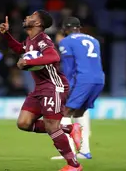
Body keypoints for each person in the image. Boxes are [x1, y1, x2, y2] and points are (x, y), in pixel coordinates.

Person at [0, 10, 83, 171]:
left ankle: (74, 165)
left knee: (52, 127)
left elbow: (54, 57)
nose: (26, 17)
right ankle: (70, 129)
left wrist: (28, 63)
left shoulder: (43, 40)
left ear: (38, 23)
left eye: (31, 16)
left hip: (54, 87)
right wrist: (6, 34)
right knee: (23, 123)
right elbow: (19, 48)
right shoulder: (30, 40)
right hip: (39, 89)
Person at [51, 17, 105, 160]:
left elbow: (69, 67)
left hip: (83, 79)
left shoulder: (66, 41)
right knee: (80, 113)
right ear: (79, 27)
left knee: (65, 112)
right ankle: (84, 151)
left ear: (65, 29)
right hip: (99, 79)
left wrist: (66, 86)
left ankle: (69, 154)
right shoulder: (94, 40)